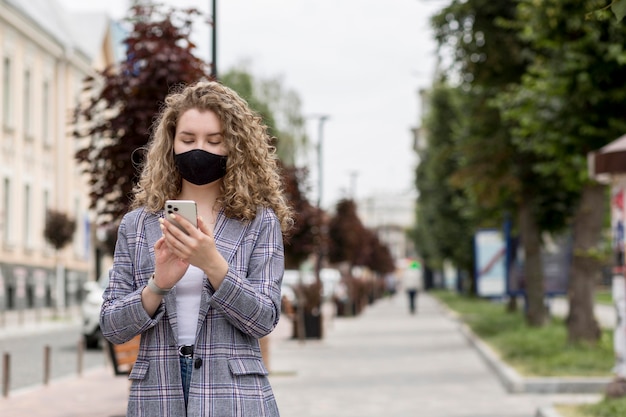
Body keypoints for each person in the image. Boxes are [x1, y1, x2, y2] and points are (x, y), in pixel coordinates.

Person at [100, 81, 293, 417]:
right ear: (171, 144)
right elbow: (113, 326)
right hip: (158, 394)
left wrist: (214, 265)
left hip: (234, 395)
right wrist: (157, 285)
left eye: (214, 141)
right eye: (187, 140)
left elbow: (264, 319)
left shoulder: (259, 222)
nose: (198, 149)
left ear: (234, 147)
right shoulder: (137, 225)